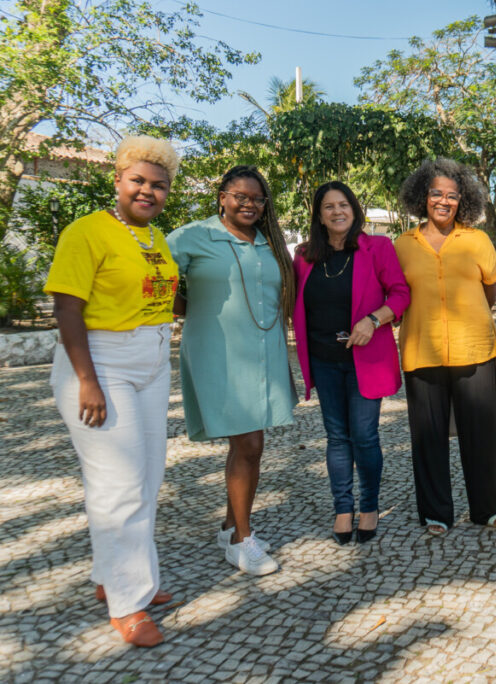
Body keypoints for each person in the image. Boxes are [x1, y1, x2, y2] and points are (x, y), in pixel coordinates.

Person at [46, 135, 180, 647]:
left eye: (159, 185)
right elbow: (67, 308)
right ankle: (129, 605)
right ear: (118, 180)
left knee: (146, 478)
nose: (148, 191)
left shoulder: (155, 238)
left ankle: (117, 577)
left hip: (150, 362)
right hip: (101, 362)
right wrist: (87, 380)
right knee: (117, 483)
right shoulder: (87, 232)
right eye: (139, 181)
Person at [167, 165, 297, 576]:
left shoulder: (269, 243)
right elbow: (152, 273)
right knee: (250, 445)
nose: (249, 204)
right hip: (219, 354)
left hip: (264, 354)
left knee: (246, 445)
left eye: (257, 199)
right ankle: (242, 542)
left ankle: (229, 527)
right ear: (222, 195)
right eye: (240, 196)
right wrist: (187, 309)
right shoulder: (194, 236)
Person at [292, 181, 409, 545]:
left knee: (364, 436)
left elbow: (401, 293)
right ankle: (343, 509)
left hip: (366, 359)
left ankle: (370, 506)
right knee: (337, 438)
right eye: (328, 207)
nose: (337, 211)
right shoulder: (304, 256)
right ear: (319, 216)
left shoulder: (378, 247)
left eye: (343, 204)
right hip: (323, 360)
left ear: (354, 210)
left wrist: (373, 320)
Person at [394, 158, 496, 536]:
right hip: (421, 351)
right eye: (436, 193)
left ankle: (487, 508)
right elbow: (396, 294)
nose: (444, 201)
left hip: (474, 350)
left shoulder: (477, 240)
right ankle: (436, 513)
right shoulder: (402, 245)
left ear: (464, 200)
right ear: (422, 197)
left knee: (482, 436)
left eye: (452, 196)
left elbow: (491, 289)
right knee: (428, 437)